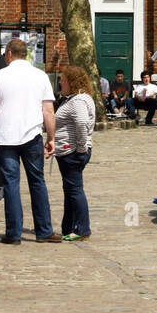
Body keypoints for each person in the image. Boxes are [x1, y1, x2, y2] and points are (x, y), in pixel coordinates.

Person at [0, 36, 57, 244]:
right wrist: (51, 138)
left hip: (5, 137)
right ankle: (44, 231)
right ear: (27, 55)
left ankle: (14, 234)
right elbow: (48, 111)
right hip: (32, 135)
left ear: (8, 54)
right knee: (37, 182)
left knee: (11, 184)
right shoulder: (40, 76)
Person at [53, 65, 96, 241]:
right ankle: (68, 227)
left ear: (71, 82)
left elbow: (81, 122)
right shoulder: (74, 99)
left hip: (71, 151)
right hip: (68, 151)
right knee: (70, 189)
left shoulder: (78, 101)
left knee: (75, 189)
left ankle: (82, 229)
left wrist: (80, 148)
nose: (60, 83)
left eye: (62, 80)